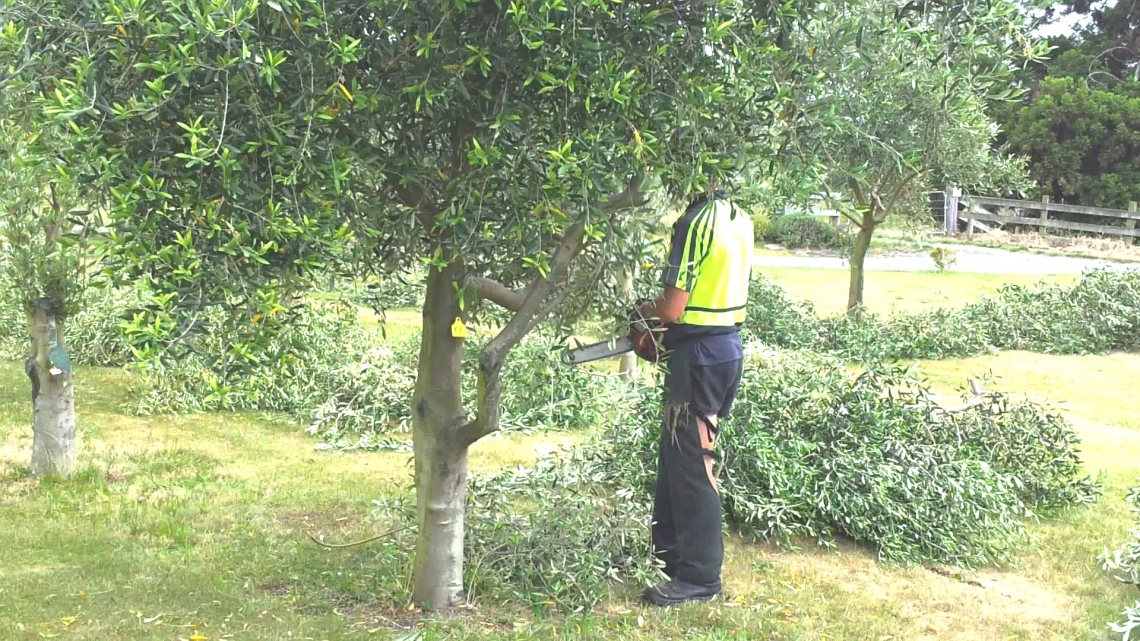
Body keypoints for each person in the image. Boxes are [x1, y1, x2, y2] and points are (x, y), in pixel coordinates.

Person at [639, 190, 753, 607]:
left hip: (700, 357)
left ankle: (701, 578)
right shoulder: (738, 215)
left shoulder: (695, 222)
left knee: (694, 465)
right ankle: (668, 556)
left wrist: (641, 314)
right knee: (676, 457)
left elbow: (672, 308)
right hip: (724, 347)